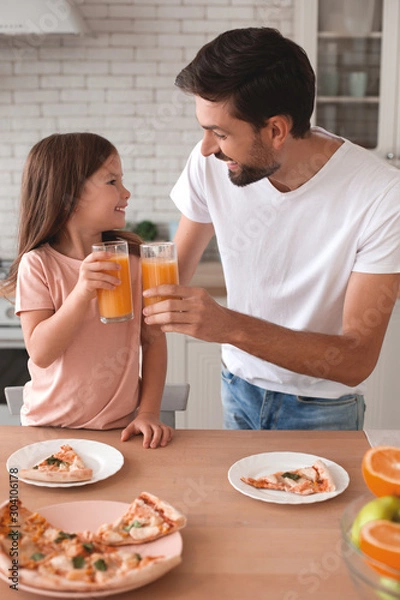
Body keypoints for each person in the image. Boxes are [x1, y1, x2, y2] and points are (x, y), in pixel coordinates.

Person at [142, 27, 400, 431]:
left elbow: (355, 360)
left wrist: (228, 326)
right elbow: (172, 273)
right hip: (237, 387)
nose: (208, 147)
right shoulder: (210, 162)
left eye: (221, 133)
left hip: (322, 408)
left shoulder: (382, 195)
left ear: (276, 130)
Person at [1, 132, 172, 448]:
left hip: (119, 432)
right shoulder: (38, 264)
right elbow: (40, 352)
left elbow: (154, 341)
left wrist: (148, 412)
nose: (126, 192)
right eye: (112, 182)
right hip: (47, 430)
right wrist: (81, 293)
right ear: (68, 194)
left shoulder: (133, 263)